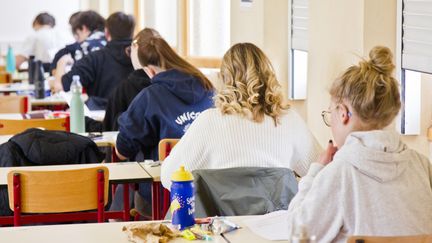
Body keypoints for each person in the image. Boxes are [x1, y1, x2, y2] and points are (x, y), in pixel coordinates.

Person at [286, 46, 432, 242]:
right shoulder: (422, 166)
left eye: (331, 114)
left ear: (344, 113)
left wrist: (314, 173)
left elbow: (298, 235)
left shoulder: (340, 173)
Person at [160, 43, 321, 189]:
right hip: (277, 220)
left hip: (222, 220)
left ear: (224, 79)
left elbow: (169, 178)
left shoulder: (209, 121)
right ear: (269, 76)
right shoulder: (289, 120)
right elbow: (321, 174)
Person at [115, 35, 214, 161]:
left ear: (149, 70)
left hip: (165, 177)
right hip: (206, 176)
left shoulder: (150, 97)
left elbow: (123, 150)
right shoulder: (208, 87)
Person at [51, 12, 135, 110]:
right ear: (132, 33)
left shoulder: (93, 58)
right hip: (137, 121)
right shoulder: (142, 57)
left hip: (101, 118)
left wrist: (61, 62)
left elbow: (59, 87)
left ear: (107, 32)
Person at [85, 28, 160, 132]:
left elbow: (108, 129)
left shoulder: (127, 87)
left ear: (135, 48)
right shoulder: (174, 81)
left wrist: (85, 121)